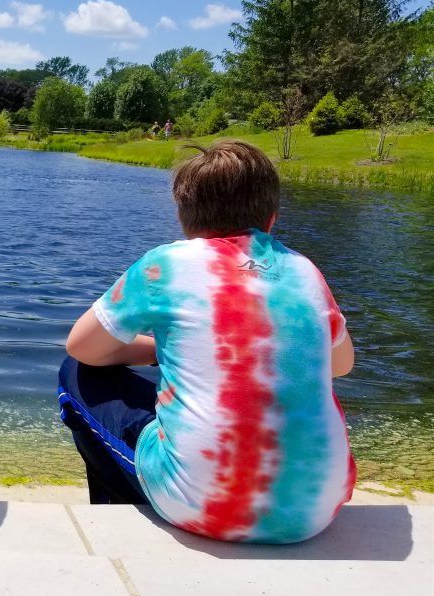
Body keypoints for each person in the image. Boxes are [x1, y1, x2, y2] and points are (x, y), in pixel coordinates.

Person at [57, 140, 356, 544]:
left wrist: (156, 352)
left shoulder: (166, 263)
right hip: (314, 513)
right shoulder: (304, 271)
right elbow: (339, 365)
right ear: (271, 220)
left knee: (77, 374)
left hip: (200, 508)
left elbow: (81, 347)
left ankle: (114, 513)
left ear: (184, 218)